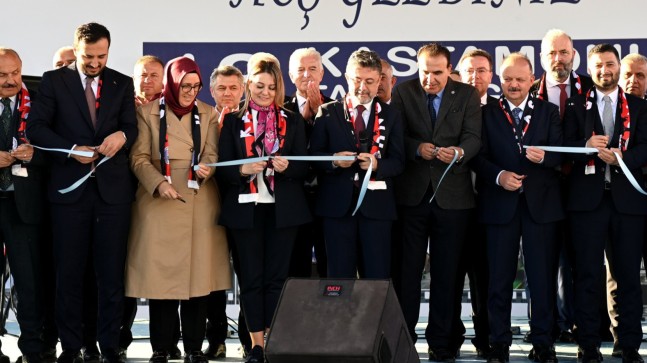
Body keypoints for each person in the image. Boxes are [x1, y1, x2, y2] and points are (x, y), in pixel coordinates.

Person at [26, 22, 138, 363]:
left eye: (101, 56)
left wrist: (122, 136)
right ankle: (71, 348)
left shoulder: (122, 82)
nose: (95, 62)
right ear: (76, 50)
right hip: (68, 196)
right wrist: (70, 148)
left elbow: (131, 127)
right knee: (69, 275)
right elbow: (36, 129)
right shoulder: (53, 81)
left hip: (112, 196)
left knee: (110, 277)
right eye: (88, 56)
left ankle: (109, 348)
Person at [125, 56, 231, 363]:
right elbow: (139, 158)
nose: (190, 92)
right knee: (162, 280)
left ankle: (195, 349)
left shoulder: (208, 113)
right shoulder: (146, 113)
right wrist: (158, 184)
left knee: (199, 279)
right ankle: (160, 348)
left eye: (196, 86)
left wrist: (207, 169)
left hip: (200, 201)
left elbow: (211, 152)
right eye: (185, 86)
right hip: (159, 199)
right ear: (172, 82)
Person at [216, 52, 311, 363]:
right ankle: (256, 345)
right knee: (251, 279)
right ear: (248, 85)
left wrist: (287, 167)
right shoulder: (231, 122)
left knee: (276, 278)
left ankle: (273, 341)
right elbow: (221, 169)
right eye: (259, 86)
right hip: (246, 210)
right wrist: (242, 171)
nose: (265, 93)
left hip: (283, 212)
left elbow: (306, 171)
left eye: (271, 87)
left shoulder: (293, 121)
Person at [390, 43, 481, 361]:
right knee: (407, 273)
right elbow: (393, 136)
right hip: (411, 198)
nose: (430, 78)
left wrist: (458, 153)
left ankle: (442, 342)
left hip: (454, 199)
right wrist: (416, 148)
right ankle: (403, 339)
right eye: (424, 71)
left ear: (449, 68)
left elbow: (474, 137)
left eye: (437, 72)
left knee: (448, 274)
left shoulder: (467, 94)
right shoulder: (402, 92)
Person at [471, 53, 563, 363]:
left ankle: (543, 342)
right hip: (499, 205)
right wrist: (499, 176)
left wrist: (546, 158)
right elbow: (477, 156)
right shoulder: (486, 114)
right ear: (500, 79)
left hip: (541, 207)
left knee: (541, 279)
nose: (513, 84)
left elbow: (561, 153)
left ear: (532, 80)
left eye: (520, 79)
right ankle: (500, 344)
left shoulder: (549, 112)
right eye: (508, 79)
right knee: (499, 280)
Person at [564, 44, 647, 363]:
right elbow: (561, 146)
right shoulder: (575, 105)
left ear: (617, 67)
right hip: (587, 202)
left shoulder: (638, 107)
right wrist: (584, 145)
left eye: (610, 64)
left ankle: (628, 344)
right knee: (586, 274)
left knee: (627, 276)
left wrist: (624, 156)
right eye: (598, 65)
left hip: (628, 203)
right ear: (590, 68)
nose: (604, 70)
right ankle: (587, 344)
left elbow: (646, 147)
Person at [310, 49, 404, 279]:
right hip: (337, 211)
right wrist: (333, 161)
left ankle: (373, 318)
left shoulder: (392, 115)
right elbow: (314, 157)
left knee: (376, 277)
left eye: (370, 81)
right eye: (357, 80)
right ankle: (341, 317)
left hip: (377, 211)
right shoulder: (327, 112)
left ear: (380, 80)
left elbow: (399, 162)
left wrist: (377, 165)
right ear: (346, 78)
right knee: (339, 279)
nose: (363, 87)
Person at [0, 48, 48, 363]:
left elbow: (58, 149)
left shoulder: (41, 102)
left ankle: (33, 349)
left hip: (24, 205)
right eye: (3, 75)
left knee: (29, 282)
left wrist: (37, 154)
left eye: (15, 72)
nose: (11, 80)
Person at [451, 48, 495, 357]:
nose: (475, 76)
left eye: (481, 71)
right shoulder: (448, 109)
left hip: (490, 209)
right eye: (470, 71)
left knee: (487, 278)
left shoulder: (498, 111)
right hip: (453, 207)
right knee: (450, 276)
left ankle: (487, 338)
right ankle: (450, 338)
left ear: (491, 76)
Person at [203, 64, 248, 360]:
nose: (228, 94)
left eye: (234, 88)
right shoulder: (204, 118)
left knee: (248, 275)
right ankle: (216, 339)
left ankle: (250, 337)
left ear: (243, 89)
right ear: (212, 91)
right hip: (208, 208)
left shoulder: (252, 118)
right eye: (222, 88)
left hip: (245, 209)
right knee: (213, 278)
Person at [606, 52, 647, 357]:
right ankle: (624, 338)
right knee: (621, 275)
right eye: (628, 75)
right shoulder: (613, 108)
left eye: (641, 76)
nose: (633, 81)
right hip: (624, 205)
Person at [284, 47, 333, 280]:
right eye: (300, 70)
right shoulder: (281, 109)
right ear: (291, 76)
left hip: (328, 197)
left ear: (322, 74)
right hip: (293, 197)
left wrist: (319, 114)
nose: (307, 75)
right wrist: (302, 119)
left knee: (329, 264)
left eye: (312, 69)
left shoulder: (337, 107)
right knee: (295, 265)